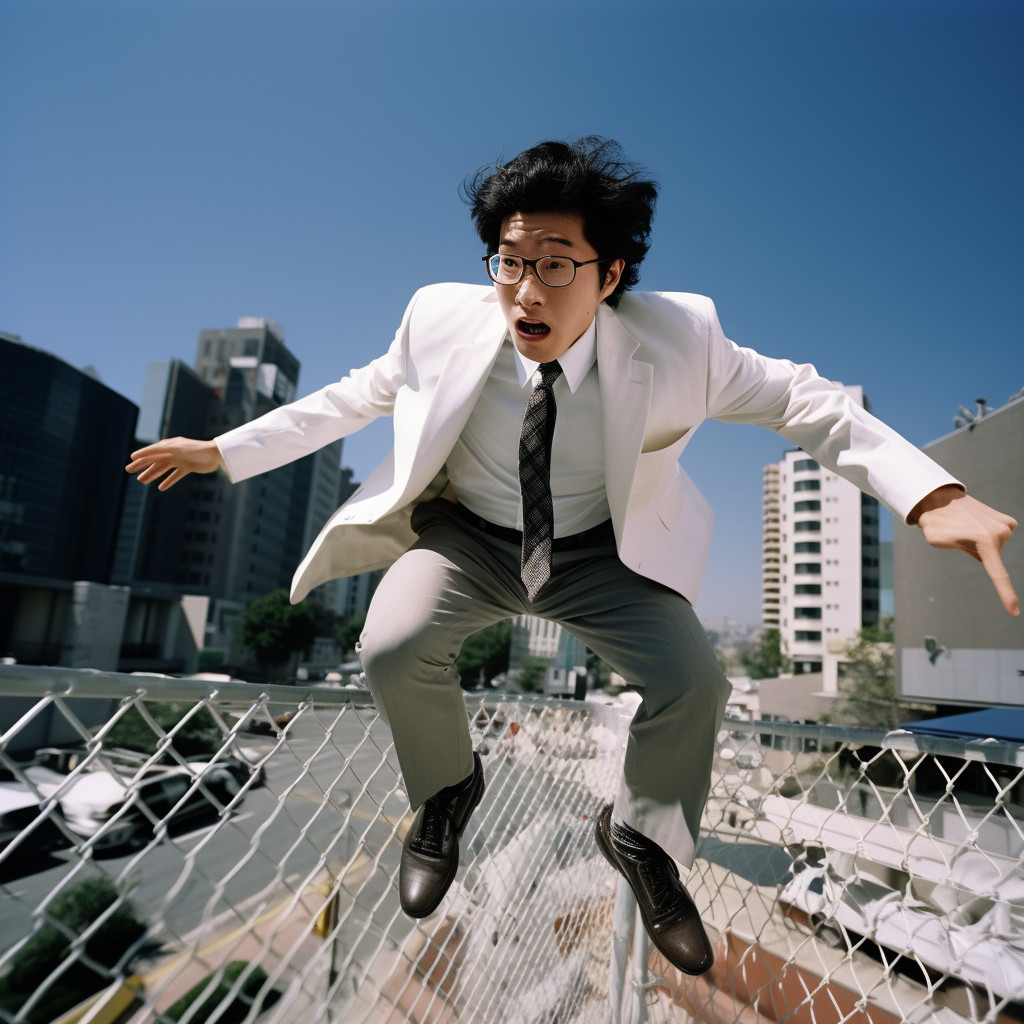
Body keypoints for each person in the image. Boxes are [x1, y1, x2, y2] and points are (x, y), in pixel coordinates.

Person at [126, 138, 1018, 977]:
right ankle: (446, 794)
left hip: (604, 555)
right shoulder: (440, 320)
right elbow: (353, 397)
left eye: (556, 263)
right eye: (510, 261)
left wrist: (932, 493)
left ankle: (641, 840)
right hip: (471, 537)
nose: (526, 290)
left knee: (696, 684)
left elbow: (802, 399)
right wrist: (226, 449)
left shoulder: (682, 340)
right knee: (393, 643)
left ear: (612, 272)